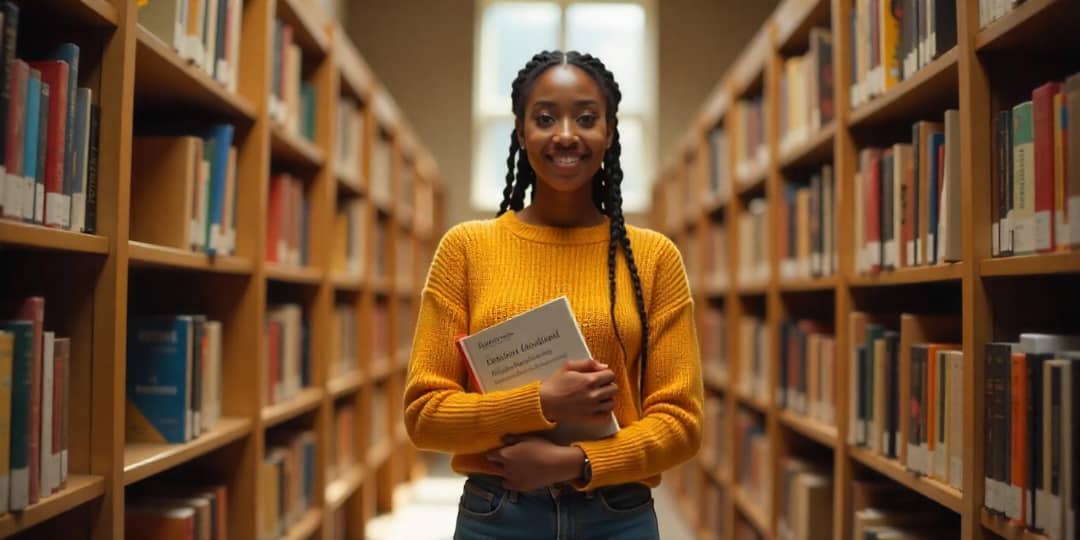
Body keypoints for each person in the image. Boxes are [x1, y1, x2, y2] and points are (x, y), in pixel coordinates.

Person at [403, 50, 703, 540]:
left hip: (618, 515)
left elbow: (682, 423)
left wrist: (572, 462)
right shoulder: (466, 249)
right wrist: (542, 401)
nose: (566, 133)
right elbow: (424, 416)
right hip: (497, 514)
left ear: (609, 132)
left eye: (586, 118)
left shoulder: (653, 259)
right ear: (522, 133)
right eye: (545, 118)